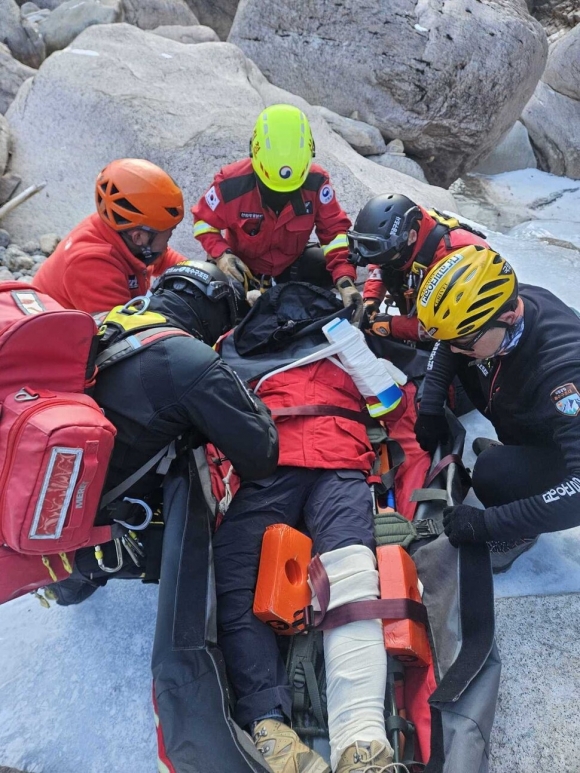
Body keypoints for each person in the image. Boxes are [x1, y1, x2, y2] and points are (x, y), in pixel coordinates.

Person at [213, 282, 394, 773]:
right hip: (315, 460)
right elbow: (394, 404)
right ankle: (346, 741)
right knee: (350, 575)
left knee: (244, 573)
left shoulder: (237, 350)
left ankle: (318, 734)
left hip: (280, 463)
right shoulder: (347, 347)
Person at [46, 260, 279, 606]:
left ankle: (62, 577)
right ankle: (85, 563)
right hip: (95, 527)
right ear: (214, 314)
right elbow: (262, 456)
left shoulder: (111, 320)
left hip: (48, 493)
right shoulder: (192, 360)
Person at [413, 244, 580, 572]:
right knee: (470, 362)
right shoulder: (507, 308)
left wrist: (490, 523)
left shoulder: (565, 376)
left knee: (491, 473)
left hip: (568, 456)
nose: (453, 349)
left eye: (463, 341)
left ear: (506, 318)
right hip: (535, 417)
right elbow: (448, 345)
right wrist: (430, 405)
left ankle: (522, 532)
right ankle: (520, 455)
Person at [191, 103, 362, 321]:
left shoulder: (316, 183)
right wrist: (222, 255)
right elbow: (203, 222)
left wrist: (345, 281)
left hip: (289, 266)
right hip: (242, 270)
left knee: (326, 268)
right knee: (216, 296)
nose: (281, 196)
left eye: (291, 191)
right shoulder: (230, 184)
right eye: (271, 188)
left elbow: (335, 234)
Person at [33, 158, 188, 313]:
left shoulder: (122, 230)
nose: (168, 241)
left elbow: (164, 259)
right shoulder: (92, 266)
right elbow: (123, 330)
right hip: (63, 333)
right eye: (169, 234)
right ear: (138, 237)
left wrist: (198, 274)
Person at [348, 193, 488, 341]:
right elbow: (379, 262)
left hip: (473, 333)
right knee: (391, 267)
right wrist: (371, 300)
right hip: (430, 301)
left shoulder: (453, 257)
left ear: (412, 236)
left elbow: (448, 326)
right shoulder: (405, 233)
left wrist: (391, 326)